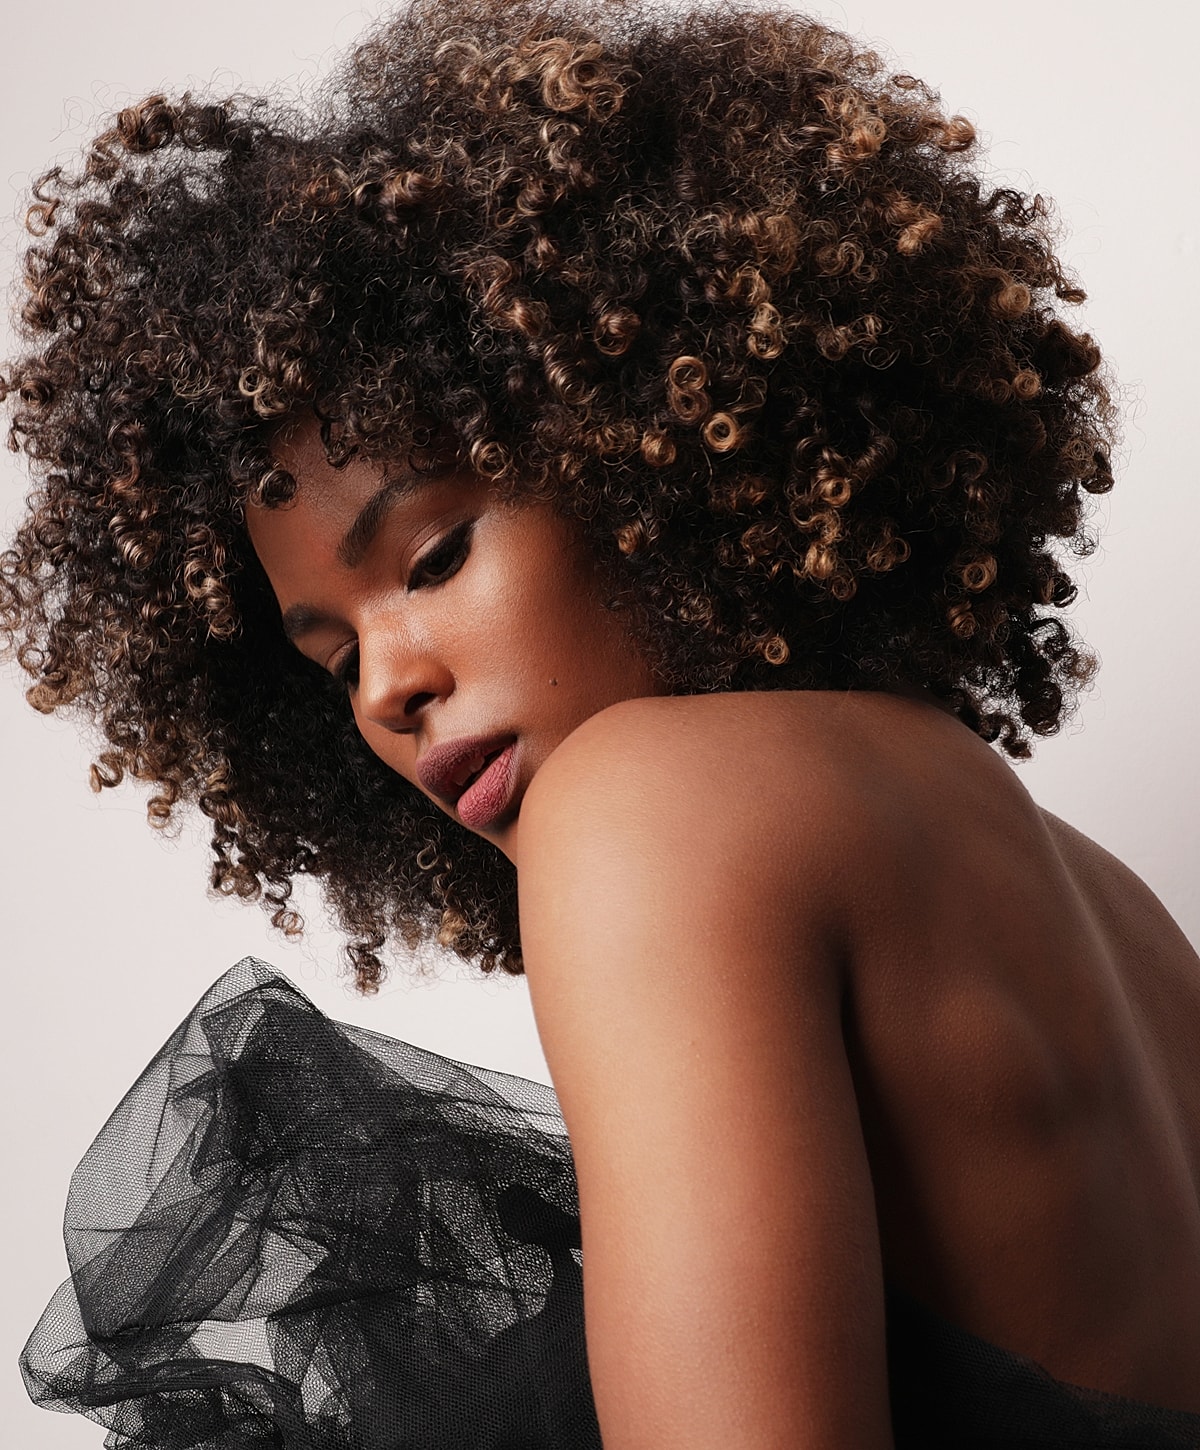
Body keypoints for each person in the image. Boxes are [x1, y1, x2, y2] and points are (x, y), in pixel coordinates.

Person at [4, 0, 1199, 1445]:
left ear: (635, 458)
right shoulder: (1115, 910)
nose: (384, 687)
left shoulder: (649, 805)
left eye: (434, 557)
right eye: (334, 659)